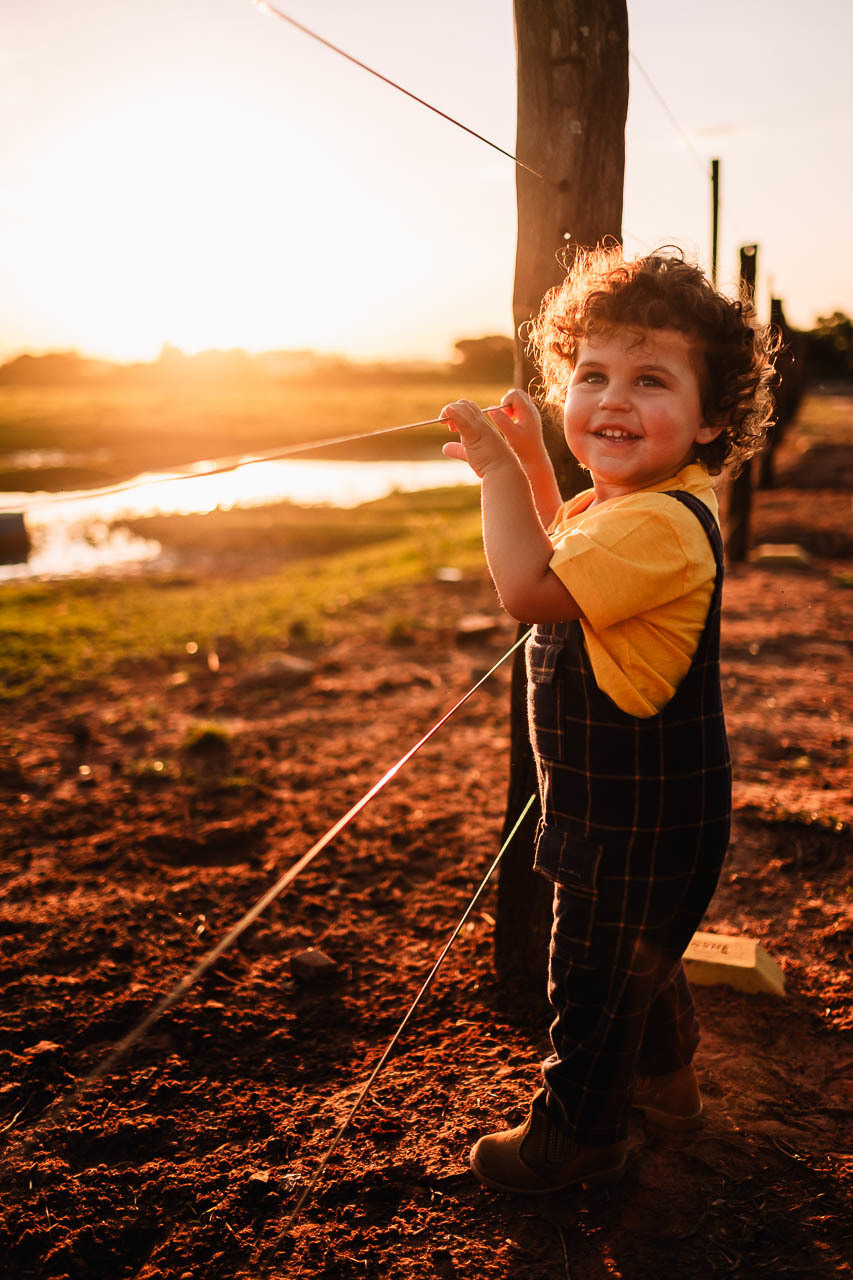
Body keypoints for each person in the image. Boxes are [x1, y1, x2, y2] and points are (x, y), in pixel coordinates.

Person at [440, 245, 777, 1195]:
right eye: (591, 375)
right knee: (641, 956)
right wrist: (528, 473)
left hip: (630, 817)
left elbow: (529, 587)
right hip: (640, 811)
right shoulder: (630, 503)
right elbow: (562, 548)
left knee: (587, 981)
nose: (613, 399)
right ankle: (667, 1093)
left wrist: (502, 474)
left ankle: (576, 1136)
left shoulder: (658, 524)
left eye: (650, 379)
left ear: (711, 418)